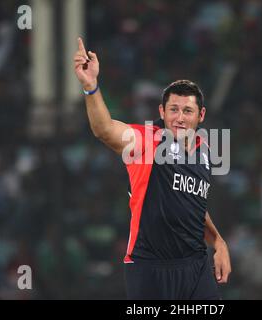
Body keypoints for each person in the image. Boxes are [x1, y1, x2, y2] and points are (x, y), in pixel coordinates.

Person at [73, 37, 231, 299]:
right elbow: (105, 129)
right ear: (162, 111)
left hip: (195, 266)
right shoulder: (149, 140)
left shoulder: (205, 151)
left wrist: (218, 241)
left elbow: (192, 207)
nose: (180, 118)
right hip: (150, 268)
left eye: (188, 111)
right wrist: (91, 87)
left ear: (200, 116)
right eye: (174, 110)